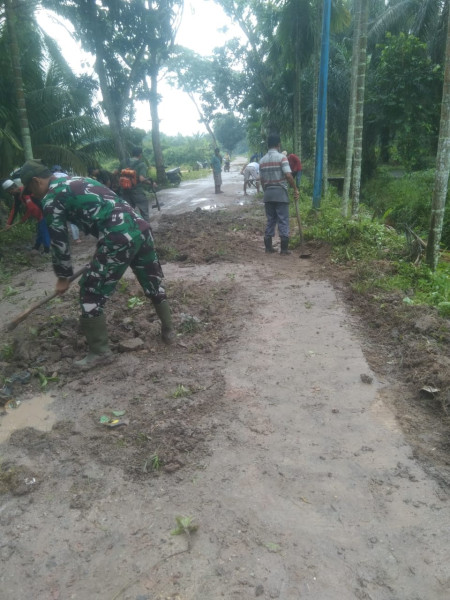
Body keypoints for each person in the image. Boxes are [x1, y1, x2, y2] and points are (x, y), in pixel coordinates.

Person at [19, 159, 176, 370]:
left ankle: (100, 352)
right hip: (140, 228)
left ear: (36, 181)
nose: (32, 195)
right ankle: (169, 331)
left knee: (90, 291)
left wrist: (63, 277)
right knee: (152, 281)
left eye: (29, 190)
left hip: (117, 237)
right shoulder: (79, 180)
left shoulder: (51, 198)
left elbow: (59, 241)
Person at [259, 133, 299, 255]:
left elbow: (262, 180)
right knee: (283, 220)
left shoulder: (262, 160)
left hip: (268, 194)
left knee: (270, 219)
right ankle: (284, 249)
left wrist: (266, 190)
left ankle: (268, 247)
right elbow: (288, 175)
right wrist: (295, 189)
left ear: (268, 145)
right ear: (278, 144)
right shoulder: (282, 158)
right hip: (281, 193)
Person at [2, 179, 50, 253]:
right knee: (40, 230)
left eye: (10, 192)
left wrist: (24, 218)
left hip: (43, 213)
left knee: (43, 231)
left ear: (12, 189)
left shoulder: (27, 191)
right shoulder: (18, 196)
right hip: (38, 215)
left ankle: (47, 250)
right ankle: (37, 247)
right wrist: (9, 223)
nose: (10, 194)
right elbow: (15, 209)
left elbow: (32, 207)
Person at [119, 147, 155, 222]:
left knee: (128, 213)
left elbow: (115, 173)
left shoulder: (124, 162)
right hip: (137, 192)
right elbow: (142, 179)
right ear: (140, 154)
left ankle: (131, 230)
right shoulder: (141, 164)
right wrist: (151, 183)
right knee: (144, 212)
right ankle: (146, 230)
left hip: (125, 191)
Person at [51, 166, 81, 244]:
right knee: (72, 219)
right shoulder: (67, 176)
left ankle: (63, 238)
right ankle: (76, 238)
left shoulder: (51, 177)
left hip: (56, 199)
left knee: (59, 218)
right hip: (70, 197)